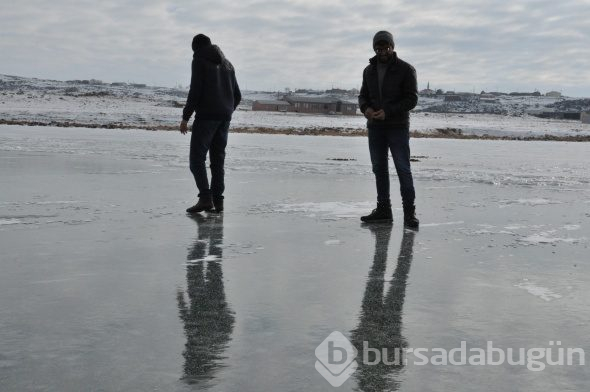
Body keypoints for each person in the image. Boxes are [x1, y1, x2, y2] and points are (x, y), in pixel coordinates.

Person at [358, 31, 419, 228]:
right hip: (375, 128)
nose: (382, 51)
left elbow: (412, 99)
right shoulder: (369, 71)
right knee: (379, 169)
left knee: (403, 168)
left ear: (392, 47)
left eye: (385, 47)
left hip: (397, 127)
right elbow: (363, 97)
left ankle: (409, 214)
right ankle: (384, 210)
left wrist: (388, 112)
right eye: (378, 48)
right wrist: (366, 110)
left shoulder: (406, 69)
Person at [180, 34, 241, 213]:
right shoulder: (228, 65)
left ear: (196, 48)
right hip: (224, 120)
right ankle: (218, 201)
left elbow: (195, 91)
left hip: (206, 118)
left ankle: (206, 198)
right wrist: (226, 110)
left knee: (196, 160)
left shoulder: (199, 60)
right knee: (217, 161)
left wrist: (185, 118)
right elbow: (237, 96)